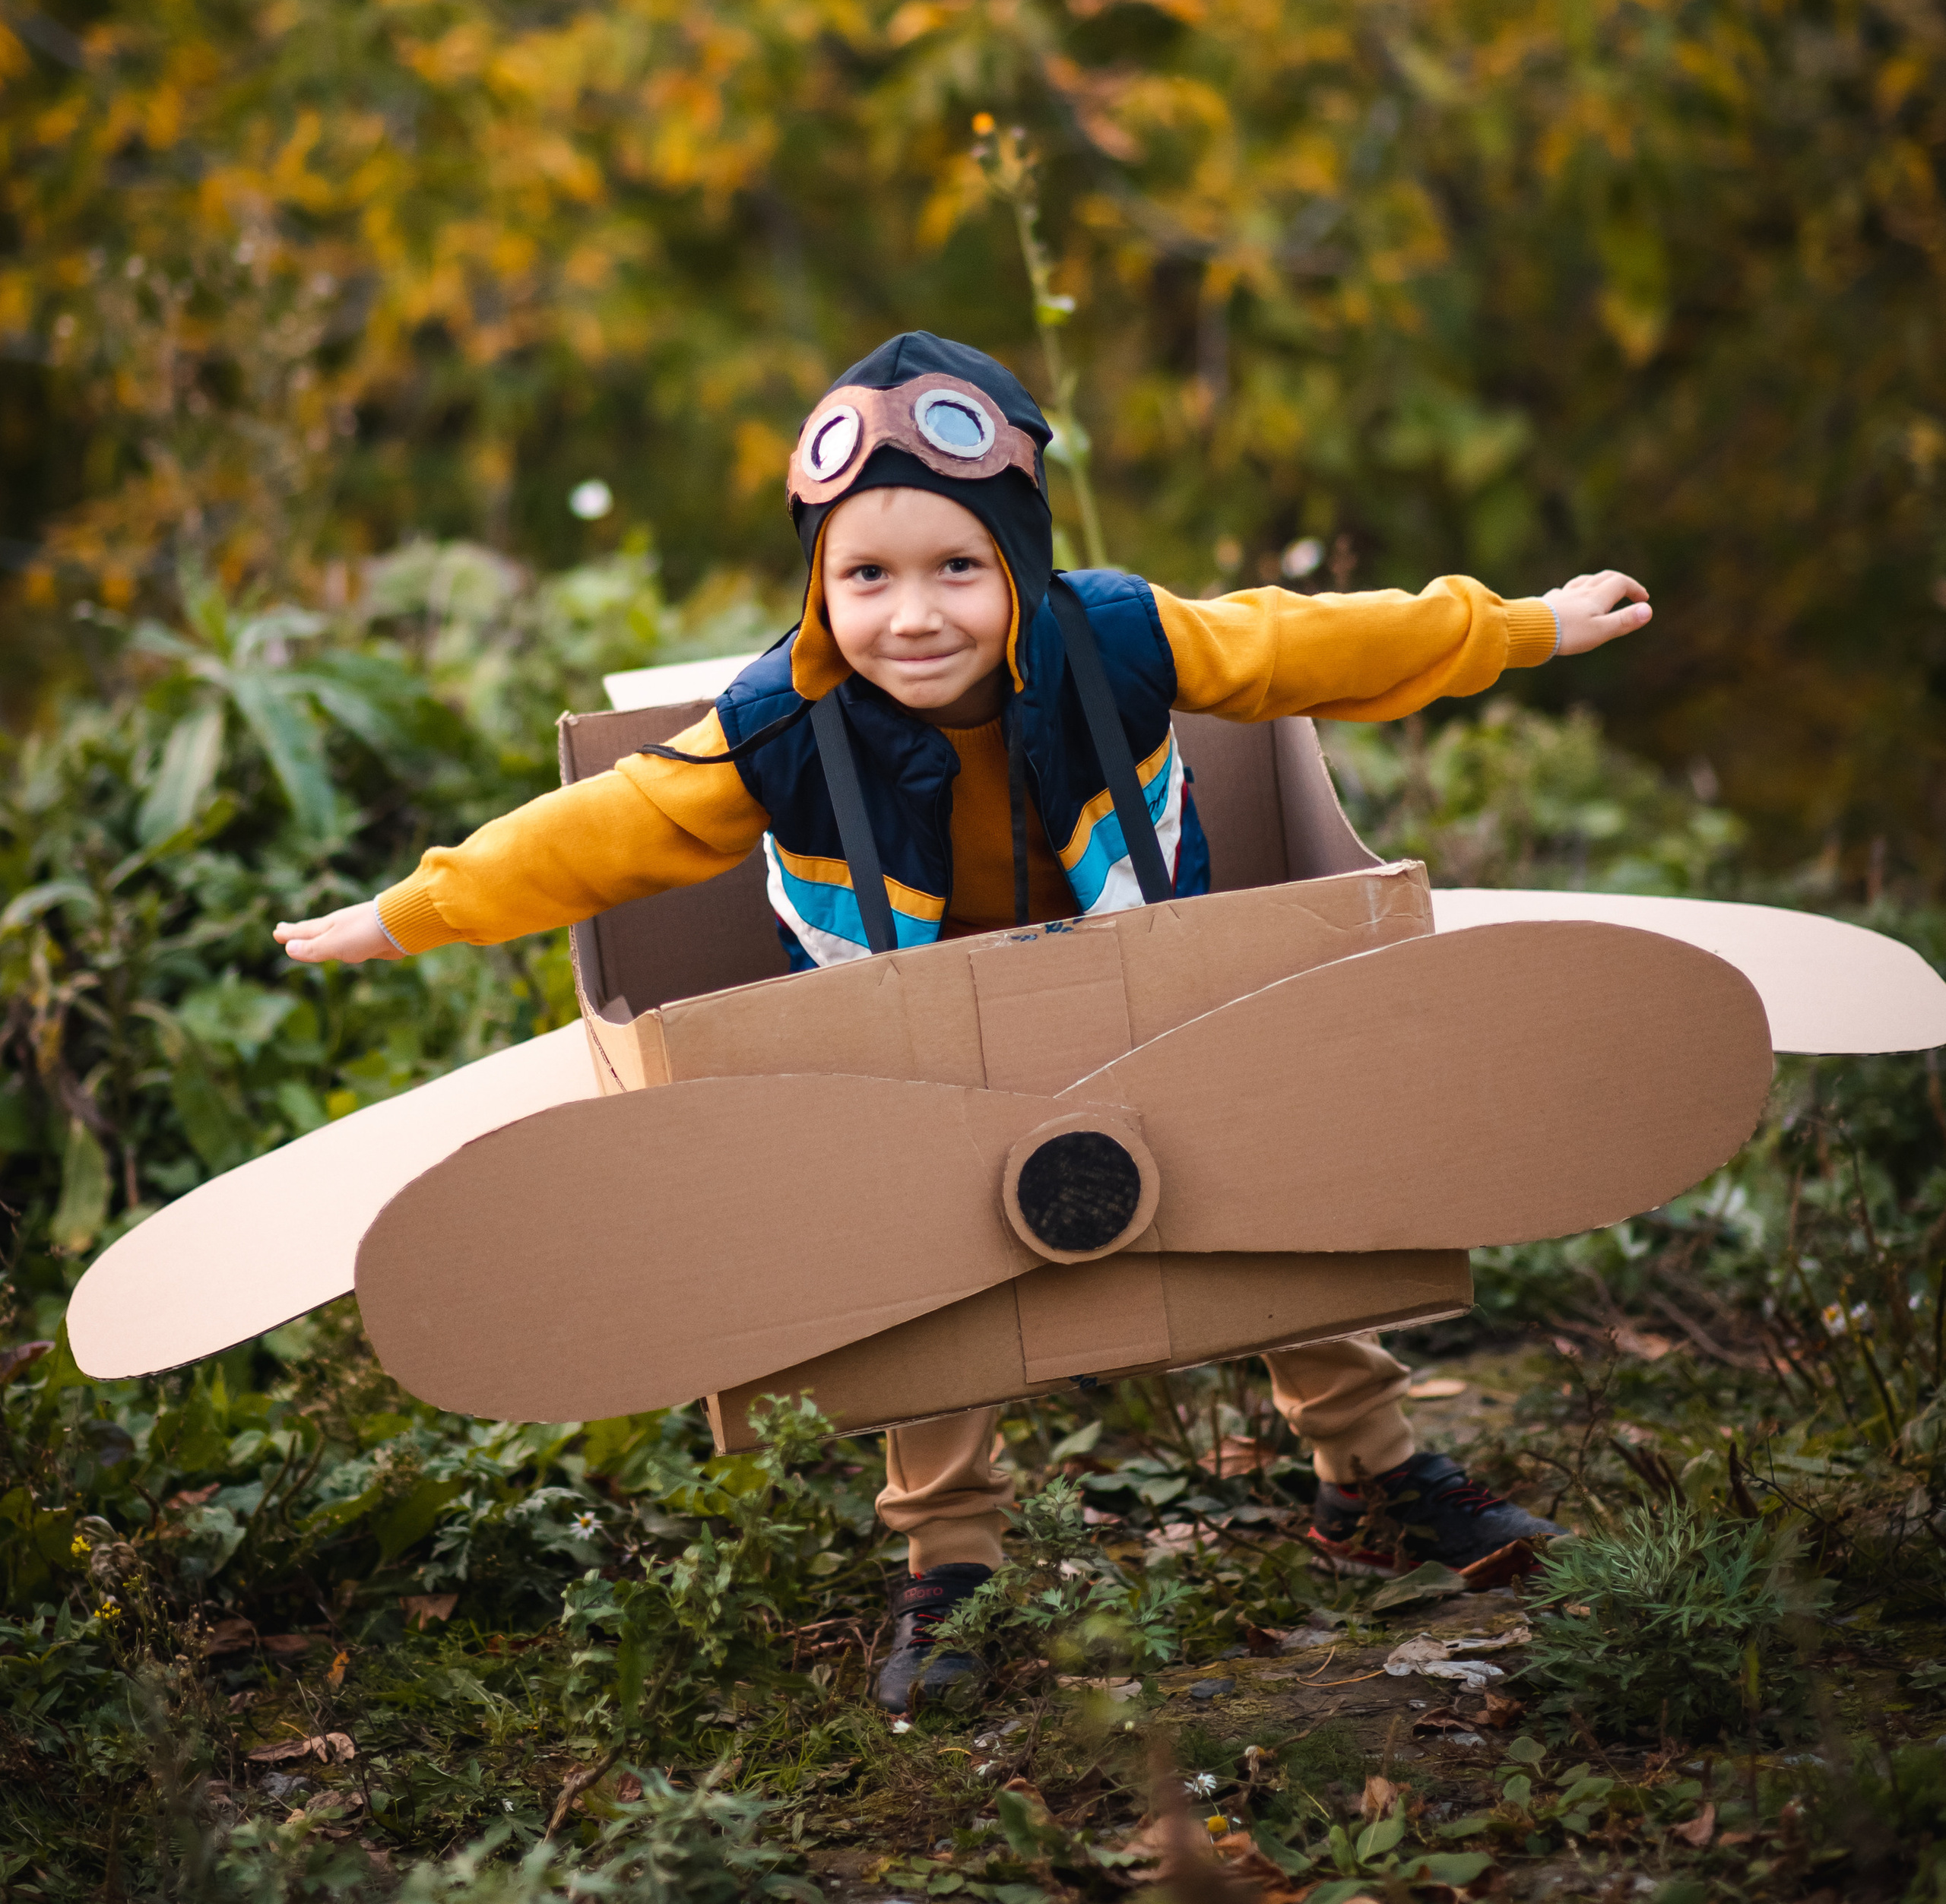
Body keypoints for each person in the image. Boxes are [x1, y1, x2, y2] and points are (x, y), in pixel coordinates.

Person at [277, 331, 1653, 1708]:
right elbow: (600, 831)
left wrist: (1524, 622)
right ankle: (952, 1568)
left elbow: (1317, 642)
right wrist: (407, 911)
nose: (913, 615)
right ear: (821, 584)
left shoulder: (1118, 637)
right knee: (927, 1257)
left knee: (1268, 1187)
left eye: (959, 568)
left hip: (1147, 990)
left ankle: (1371, 1472)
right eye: (867, 576)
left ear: (1020, 565)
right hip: (910, 1043)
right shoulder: (776, 723)